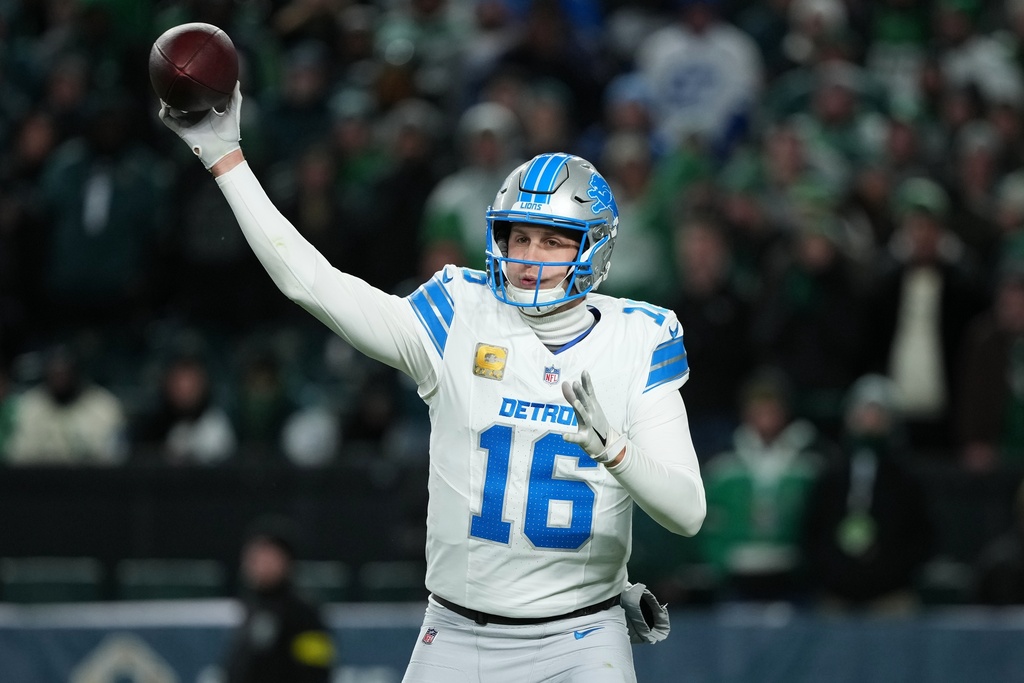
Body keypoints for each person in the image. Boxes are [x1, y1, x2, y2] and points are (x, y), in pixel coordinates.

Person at [159, 85, 706, 682]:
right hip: (458, 631)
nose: (530, 256)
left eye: (553, 240)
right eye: (519, 236)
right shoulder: (458, 312)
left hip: (581, 635)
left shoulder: (637, 338)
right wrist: (227, 160)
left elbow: (687, 511)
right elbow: (312, 284)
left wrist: (616, 451)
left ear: (594, 249)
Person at [223, 516, 335, 683]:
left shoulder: (304, 614)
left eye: (266, 557)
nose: (258, 565)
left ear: (285, 561)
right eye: (253, 558)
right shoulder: (251, 607)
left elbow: (317, 669)